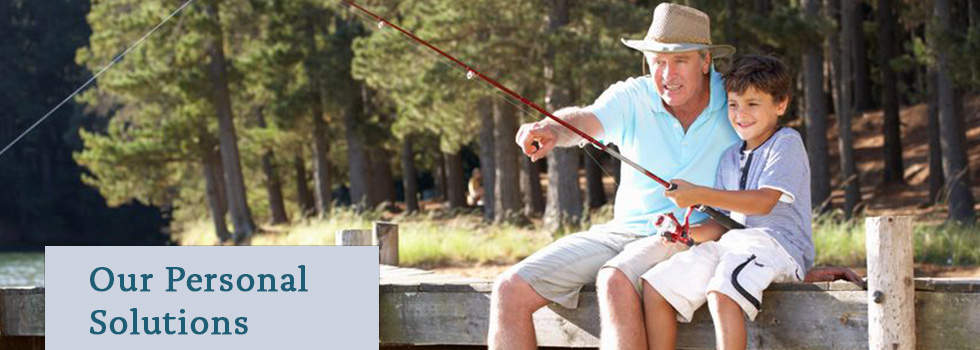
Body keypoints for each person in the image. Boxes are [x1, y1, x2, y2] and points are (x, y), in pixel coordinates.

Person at [494, 3, 738, 349]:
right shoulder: (633, 95)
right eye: (658, 62)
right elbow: (585, 120)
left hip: (696, 236)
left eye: (680, 60)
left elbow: (774, 178)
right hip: (623, 232)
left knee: (614, 279)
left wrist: (793, 256)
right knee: (508, 290)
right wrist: (551, 128)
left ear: (705, 60)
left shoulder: (736, 99)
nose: (667, 74)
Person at [644, 54, 814, 350]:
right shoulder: (729, 158)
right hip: (733, 245)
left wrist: (698, 193)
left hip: (778, 247)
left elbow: (763, 203)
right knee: (656, 284)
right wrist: (685, 234)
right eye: (733, 105)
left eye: (752, 104)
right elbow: (722, 224)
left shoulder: (786, 142)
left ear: (781, 104)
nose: (740, 114)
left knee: (722, 290)